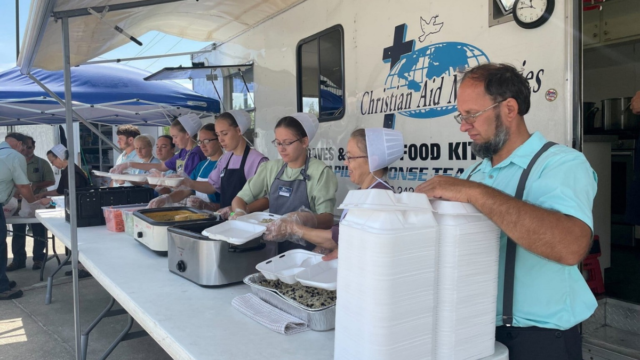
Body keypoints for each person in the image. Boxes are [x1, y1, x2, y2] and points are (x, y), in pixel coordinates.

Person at [414, 63, 596, 360]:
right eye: (462, 116)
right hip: (474, 329)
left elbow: (571, 246)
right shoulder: (474, 173)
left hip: (540, 340)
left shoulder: (563, 164)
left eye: (472, 114)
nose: (464, 125)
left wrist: (475, 193)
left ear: (509, 109)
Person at [267, 128, 403, 261]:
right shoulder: (363, 192)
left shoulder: (378, 197)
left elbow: (337, 238)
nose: (346, 162)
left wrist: (293, 228)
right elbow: (342, 230)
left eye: (350, 157)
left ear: (373, 161)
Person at [230, 113, 338, 255]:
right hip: (271, 248)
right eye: (278, 143)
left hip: (305, 251)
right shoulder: (270, 168)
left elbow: (327, 219)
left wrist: (301, 219)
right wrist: (239, 212)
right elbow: (240, 199)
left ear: (304, 142)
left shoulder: (321, 172)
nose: (281, 149)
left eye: (287, 143)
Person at [176, 111, 269, 213]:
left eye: (224, 134)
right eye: (218, 135)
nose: (221, 140)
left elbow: (266, 199)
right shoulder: (226, 158)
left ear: (238, 130)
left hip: (247, 223)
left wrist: (240, 210)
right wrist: (187, 182)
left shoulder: (258, 161)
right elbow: (212, 186)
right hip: (225, 221)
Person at [7, 134, 55, 272]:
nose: (26, 150)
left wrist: (35, 185)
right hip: (17, 202)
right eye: (24, 147)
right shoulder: (13, 161)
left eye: (29, 147)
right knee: (18, 232)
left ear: (33, 147)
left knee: (38, 231)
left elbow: (51, 181)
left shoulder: (42, 163)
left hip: (36, 201)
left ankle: (39, 258)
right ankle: (18, 260)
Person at [150, 123, 224, 208]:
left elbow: (230, 201)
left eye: (207, 141)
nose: (202, 146)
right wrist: (167, 198)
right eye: (200, 142)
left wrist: (209, 206)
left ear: (219, 140)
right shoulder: (201, 166)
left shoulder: (225, 165)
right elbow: (185, 191)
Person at [1, 133, 38, 300]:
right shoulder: (14, 156)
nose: (26, 151)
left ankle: (2, 281)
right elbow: (22, 185)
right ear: (18, 144)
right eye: (25, 147)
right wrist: (34, 201)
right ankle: (2, 288)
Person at [112, 114, 206, 178]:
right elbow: (162, 166)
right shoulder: (183, 152)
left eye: (175, 137)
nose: (173, 141)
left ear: (187, 134)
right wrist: (130, 164)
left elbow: (189, 184)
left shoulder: (195, 154)